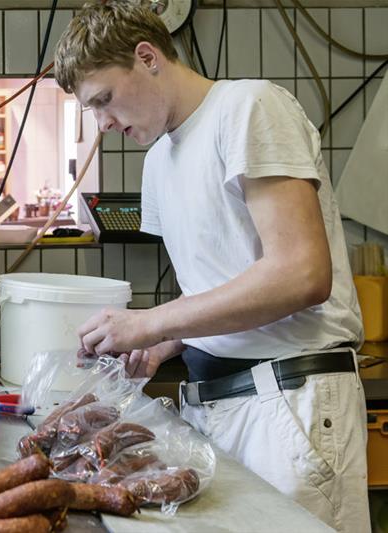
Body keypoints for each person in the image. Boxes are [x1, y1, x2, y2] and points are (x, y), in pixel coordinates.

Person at [54, 2, 369, 531]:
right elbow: (217, 289)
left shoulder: (249, 108)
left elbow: (302, 273)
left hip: (290, 406)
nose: (104, 122)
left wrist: (151, 321)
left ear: (148, 57)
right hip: (214, 410)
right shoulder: (159, 161)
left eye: (104, 99)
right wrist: (163, 343)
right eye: (92, 109)